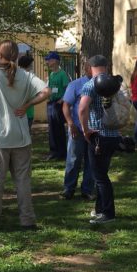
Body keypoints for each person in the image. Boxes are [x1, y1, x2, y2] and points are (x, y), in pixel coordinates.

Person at [0, 40, 50, 230]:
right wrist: (27, 105)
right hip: (21, 137)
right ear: (16, 56)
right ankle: (27, 220)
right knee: (23, 182)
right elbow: (46, 91)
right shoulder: (25, 75)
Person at [79, 55, 123, 225]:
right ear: (106, 66)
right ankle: (99, 209)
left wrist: (85, 130)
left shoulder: (90, 85)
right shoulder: (114, 83)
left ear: (90, 67)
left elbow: (82, 108)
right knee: (101, 173)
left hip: (98, 135)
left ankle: (108, 212)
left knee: (100, 177)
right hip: (113, 135)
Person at [60, 60, 95, 201]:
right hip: (77, 129)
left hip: (93, 130)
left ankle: (87, 190)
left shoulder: (101, 85)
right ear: (86, 68)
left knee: (91, 161)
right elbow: (66, 105)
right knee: (74, 159)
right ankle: (69, 189)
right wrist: (70, 123)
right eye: (90, 67)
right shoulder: (75, 85)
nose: (93, 70)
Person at [45, 51, 69, 161]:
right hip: (51, 103)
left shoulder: (62, 74)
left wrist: (62, 99)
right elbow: (50, 88)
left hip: (58, 104)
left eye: (49, 59)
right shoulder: (51, 74)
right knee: (51, 128)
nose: (47, 62)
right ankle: (53, 151)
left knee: (59, 128)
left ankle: (61, 152)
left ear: (55, 61)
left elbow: (67, 88)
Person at [17, 54, 36, 128]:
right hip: (27, 112)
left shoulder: (15, 76)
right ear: (28, 65)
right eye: (31, 65)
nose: (32, 66)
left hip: (19, 111)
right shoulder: (30, 77)